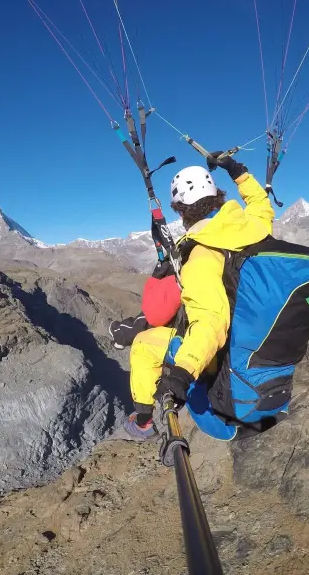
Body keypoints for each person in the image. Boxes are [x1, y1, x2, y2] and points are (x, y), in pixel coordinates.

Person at [115, 151, 275, 440]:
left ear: (181, 211)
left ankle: (142, 423)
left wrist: (182, 373)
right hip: (256, 338)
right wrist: (238, 171)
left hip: (221, 357)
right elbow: (261, 204)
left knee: (142, 344)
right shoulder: (252, 226)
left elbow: (211, 321)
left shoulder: (202, 253)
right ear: (217, 196)